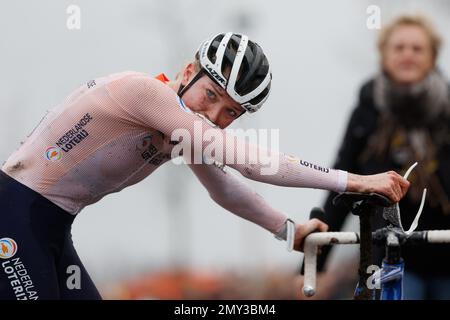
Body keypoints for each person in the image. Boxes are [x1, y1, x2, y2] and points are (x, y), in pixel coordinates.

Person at [0, 32, 409, 300]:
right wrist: (355, 181)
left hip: (49, 226)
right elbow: (251, 164)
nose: (214, 115)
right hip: (14, 215)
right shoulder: (146, 95)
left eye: (231, 112)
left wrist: (290, 231)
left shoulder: (179, 129)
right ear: (189, 71)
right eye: (210, 95)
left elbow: (225, 188)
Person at [316, 15, 450, 299]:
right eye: (399, 47)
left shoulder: (447, 111)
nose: (407, 55)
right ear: (384, 55)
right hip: (390, 256)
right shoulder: (368, 110)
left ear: (432, 56)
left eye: (417, 48)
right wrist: (316, 264)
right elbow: (343, 180)